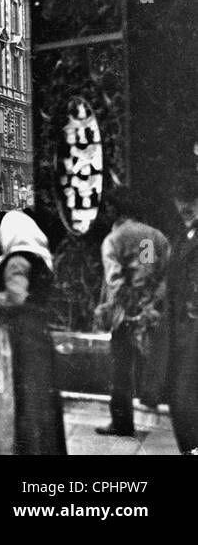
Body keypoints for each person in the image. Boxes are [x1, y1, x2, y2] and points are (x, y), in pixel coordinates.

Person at [0, 210, 66, 455]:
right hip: (37, 334)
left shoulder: (17, 260)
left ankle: (15, 444)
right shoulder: (40, 259)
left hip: (18, 337)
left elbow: (15, 298)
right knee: (38, 393)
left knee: (14, 389)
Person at [92, 187, 171, 437]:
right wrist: (151, 301)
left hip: (126, 314)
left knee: (120, 370)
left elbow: (115, 279)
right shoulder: (151, 235)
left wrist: (129, 304)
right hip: (153, 310)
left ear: (115, 210)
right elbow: (152, 270)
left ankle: (122, 422)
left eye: (107, 208)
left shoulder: (114, 239)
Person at [163, 169, 198, 454]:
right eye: (181, 199)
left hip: (190, 329)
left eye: (192, 199)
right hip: (179, 328)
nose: (185, 206)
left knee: (184, 395)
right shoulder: (173, 236)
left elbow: (146, 268)